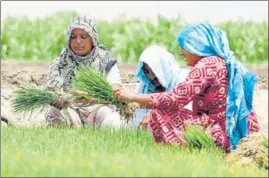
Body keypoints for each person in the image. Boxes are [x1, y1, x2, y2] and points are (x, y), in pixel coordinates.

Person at [113, 23, 261, 151]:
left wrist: (132, 97)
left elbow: (175, 99)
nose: (181, 52)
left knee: (158, 114)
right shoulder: (218, 62)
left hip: (220, 134)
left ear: (196, 46)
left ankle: (182, 151)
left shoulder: (207, 65)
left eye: (183, 47)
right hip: (223, 130)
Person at [44, 15, 125, 129]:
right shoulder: (61, 62)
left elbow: (116, 91)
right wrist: (57, 98)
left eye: (83, 37)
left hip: (98, 108)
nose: (78, 41)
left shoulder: (105, 60)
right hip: (71, 109)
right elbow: (51, 91)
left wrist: (90, 98)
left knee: (111, 121)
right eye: (73, 37)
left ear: (93, 38)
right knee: (53, 112)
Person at [133, 45, 190, 129]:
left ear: (164, 68)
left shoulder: (184, 80)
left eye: (154, 70)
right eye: (146, 71)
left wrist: (157, 116)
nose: (151, 76)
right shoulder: (144, 88)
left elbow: (188, 114)